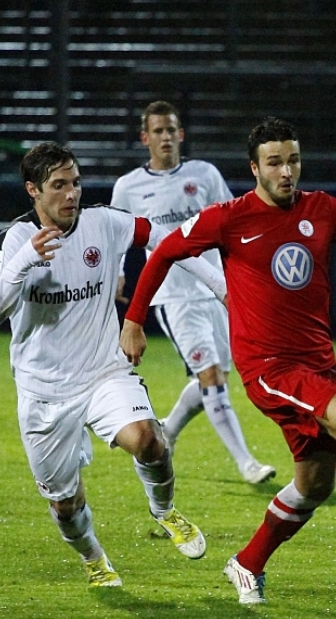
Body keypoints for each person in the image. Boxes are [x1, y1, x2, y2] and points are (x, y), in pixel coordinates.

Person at [120, 116, 336, 604]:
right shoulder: (229, 217)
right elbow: (164, 253)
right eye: (275, 162)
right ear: (254, 168)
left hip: (318, 363)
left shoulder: (322, 209)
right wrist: (133, 320)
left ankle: (247, 563)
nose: (286, 172)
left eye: (293, 160)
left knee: (314, 484)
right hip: (269, 367)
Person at [0, 142, 228, 588]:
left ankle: (164, 510)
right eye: (59, 185)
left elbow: (169, 241)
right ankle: (94, 558)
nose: (71, 194)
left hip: (103, 373)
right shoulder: (17, 240)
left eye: (75, 183)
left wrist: (220, 287)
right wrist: (26, 260)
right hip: (44, 392)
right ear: (33, 190)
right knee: (66, 504)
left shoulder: (104, 223)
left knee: (149, 440)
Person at [111, 100, 276, 485]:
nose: (165, 137)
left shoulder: (204, 174)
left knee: (215, 381)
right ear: (145, 138)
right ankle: (246, 464)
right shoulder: (129, 187)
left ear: (181, 134)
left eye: (171, 130)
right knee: (211, 376)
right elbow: (115, 235)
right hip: (174, 297)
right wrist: (117, 274)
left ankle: (167, 429)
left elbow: (232, 222)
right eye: (158, 131)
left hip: (216, 291)